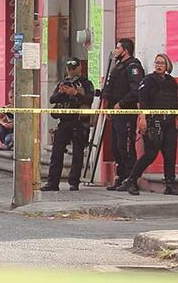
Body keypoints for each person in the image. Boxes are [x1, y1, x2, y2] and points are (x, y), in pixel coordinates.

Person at [121, 53, 178, 196]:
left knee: (170, 154)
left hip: (169, 122)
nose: (159, 65)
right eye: (157, 63)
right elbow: (143, 100)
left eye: (162, 63)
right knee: (151, 154)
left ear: (167, 66)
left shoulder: (171, 82)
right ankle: (131, 180)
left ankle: (170, 184)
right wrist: (143, 118)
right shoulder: (149, 80)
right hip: (154, 121)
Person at [41, 59, 95, 192]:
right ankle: (52, 183)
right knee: (56, 153)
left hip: (79, 122)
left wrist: (75, 93)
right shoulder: (62, 82)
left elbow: (89, 99)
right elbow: (52, 99)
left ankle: (74, 182)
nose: (70, 70)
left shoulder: (86, 83)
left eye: (73, 68)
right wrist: (61, 92)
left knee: (77, 154)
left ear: (79, 68)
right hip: (64, 122)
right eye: (69, 68)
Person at [101, 38, 144, 190]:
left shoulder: (133, 67)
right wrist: (108, 106)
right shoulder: (119, 66)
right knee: (115, 147)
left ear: (125, 50)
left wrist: (121, 104)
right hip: (115, 112)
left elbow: (136, 90)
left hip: (126, 112)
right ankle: (121, 176)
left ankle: (130, 179)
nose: (115, 50)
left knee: (125, 145)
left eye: (118, 48)